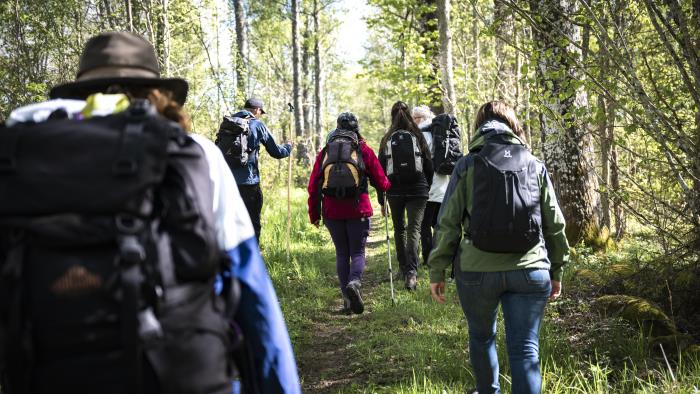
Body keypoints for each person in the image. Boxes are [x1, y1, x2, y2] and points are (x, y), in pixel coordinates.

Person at [1, 31, 300, 394]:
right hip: (179, 371)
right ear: (156, 92)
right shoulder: (193, 152)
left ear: (78, 92)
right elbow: (252, 294)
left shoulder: (17, 157)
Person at [428, 101, 569, 394]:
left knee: (481, 338)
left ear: (478, 128)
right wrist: (557, 268)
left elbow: (448, 222)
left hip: (477, 272)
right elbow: (555, 222)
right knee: (526, 350)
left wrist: (437, 270)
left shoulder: (468, 163)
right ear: (513, 126)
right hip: (531, 270)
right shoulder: (534, 163)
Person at [307, 112, 391, 314]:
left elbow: (313, 186)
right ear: (356, 128)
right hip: (358, 209)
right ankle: (355, 282)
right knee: (358, 252)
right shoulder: (362, 149)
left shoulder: (325, 151)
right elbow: (381, 181)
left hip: (331, 210)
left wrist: (315, 214)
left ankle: (346, 299)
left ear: (337, 128)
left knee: (342, 253)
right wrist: (386, 187)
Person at [378, 101, 434, 291]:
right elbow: (429, 163)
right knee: (414, 230)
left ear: (392, 116)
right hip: (418, 189)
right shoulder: (417, 135)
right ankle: (412, 272)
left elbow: (380, 171)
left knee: (399, 229)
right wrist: (427, 185)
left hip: (394, 190)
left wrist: (381, 199)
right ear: (409, 114)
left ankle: (403, 268)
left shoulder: (387, 138)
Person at [222, 98, 293, 241]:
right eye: (261, 112)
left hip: (227, 182)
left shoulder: (227, 123)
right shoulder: (257, 124)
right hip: (249, 183)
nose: (260, 115)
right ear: (257, 110)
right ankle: (251, 259)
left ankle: (232, 259)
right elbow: (277, 152)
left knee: (232, 224)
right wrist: (288, 147)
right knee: (251, 223)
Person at [412, 105, 450, 268]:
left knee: (424, 225)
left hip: (427, 186)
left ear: (420, 118)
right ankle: (445, 256)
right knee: (439, 224)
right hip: (443, 185)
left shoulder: (420, 135)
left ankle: (429, 259)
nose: (412, 121)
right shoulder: (439, 133)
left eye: (414, 118)